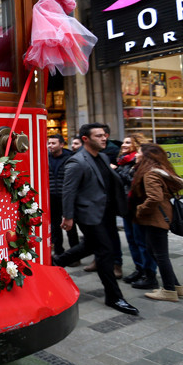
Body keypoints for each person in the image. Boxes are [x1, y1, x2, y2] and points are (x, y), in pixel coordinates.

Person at [55, 123, 137, 315]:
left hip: (106, 212)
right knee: (105, 251)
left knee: (89, 246)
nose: (104, 138)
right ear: (86, 139)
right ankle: (114, 296)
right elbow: (69, 191)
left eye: (104, 135)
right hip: (89, 214)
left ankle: (56, 263)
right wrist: (68, 216)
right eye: (98, 135)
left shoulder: (102, 157)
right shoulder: (77, 161)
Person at [131, 143, 183, 302]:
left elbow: (155, 197)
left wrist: (140, 209)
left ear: (146, 156)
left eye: (138, 152)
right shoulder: (159, 171)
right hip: (161, 216)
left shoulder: (150, 173)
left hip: (156, 218)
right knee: (154, 251)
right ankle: (175, 286)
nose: (136, 155)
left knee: (160, 255)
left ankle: (169, 290)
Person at [114, 133, 157, 289]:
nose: (123, 145)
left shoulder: (140, 161)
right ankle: (139, 269)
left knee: (142, 242)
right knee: (132, 240)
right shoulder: (123, 161)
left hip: (138, 208)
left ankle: (149, 274)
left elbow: (136, 183)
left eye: (128, 143)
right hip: (127, 207)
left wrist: (116, 172)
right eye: (123, 142)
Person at [47, 134, 78, 258]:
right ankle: (58, 252)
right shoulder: (45, 158)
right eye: (49, 143)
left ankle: (75, 255)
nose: (50, 146)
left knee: (70, 226)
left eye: (53, 143)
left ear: (61, 144)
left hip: (66, 197)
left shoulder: (70, 158)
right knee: (55, 227)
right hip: (52, 197)